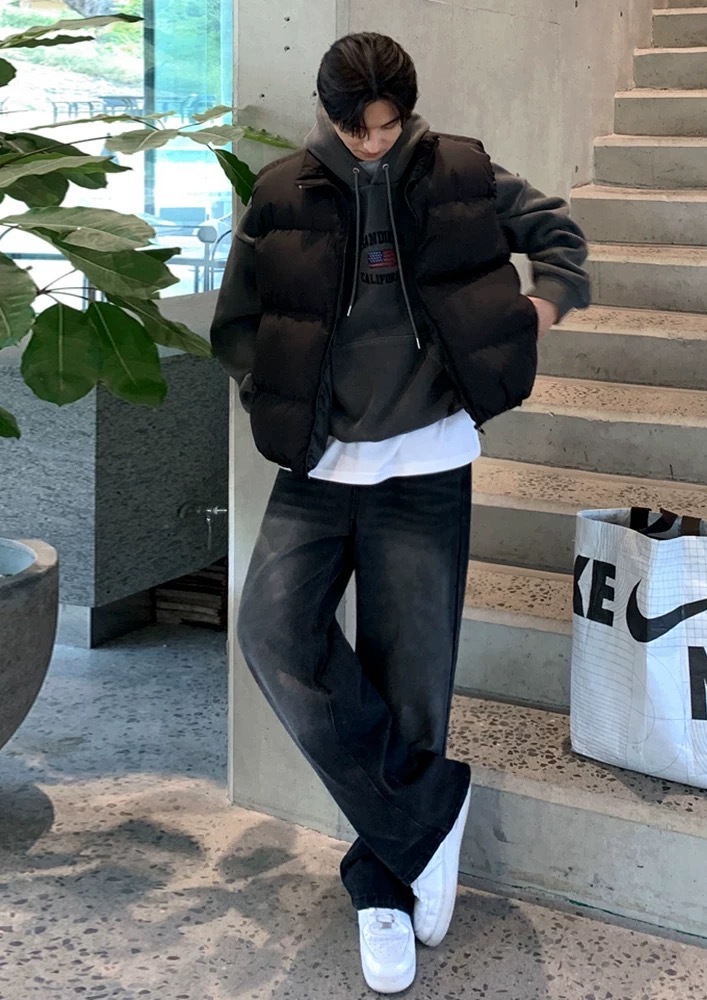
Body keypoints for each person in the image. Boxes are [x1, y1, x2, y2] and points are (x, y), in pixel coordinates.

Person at [211, 32, 590, 995]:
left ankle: (382, 885)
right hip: (321, 465)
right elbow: (237, 324)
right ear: (329, 114)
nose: (374, 143)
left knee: (412, 681)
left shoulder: (461, 171)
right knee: (271, 633)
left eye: (388, 125)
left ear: (408, 112)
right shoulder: (282, 191)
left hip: (427, 467)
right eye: (357, 128)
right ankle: (427, 815)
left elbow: (560, 242)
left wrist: (534, 314)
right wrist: (274, 393)